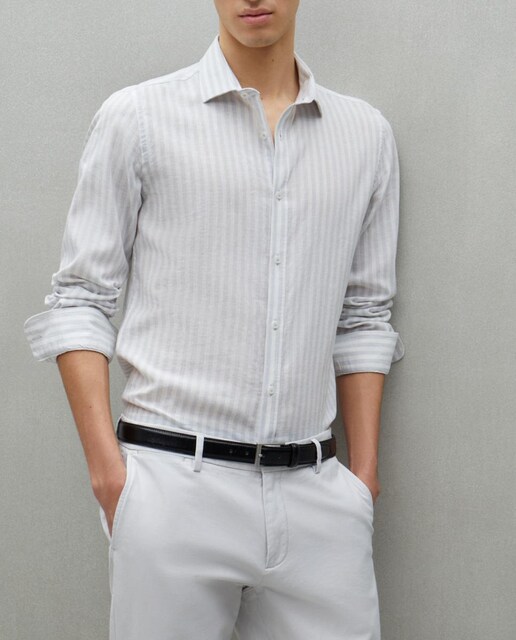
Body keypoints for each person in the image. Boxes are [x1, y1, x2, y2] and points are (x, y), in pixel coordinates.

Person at [23, 1, 405, 638]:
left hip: (319, 498)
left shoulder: (365, 135)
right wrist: (110, 478)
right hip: (171, 488)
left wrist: (361, 482)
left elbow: (363, 315)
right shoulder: (138, 118)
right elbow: (81, 298)